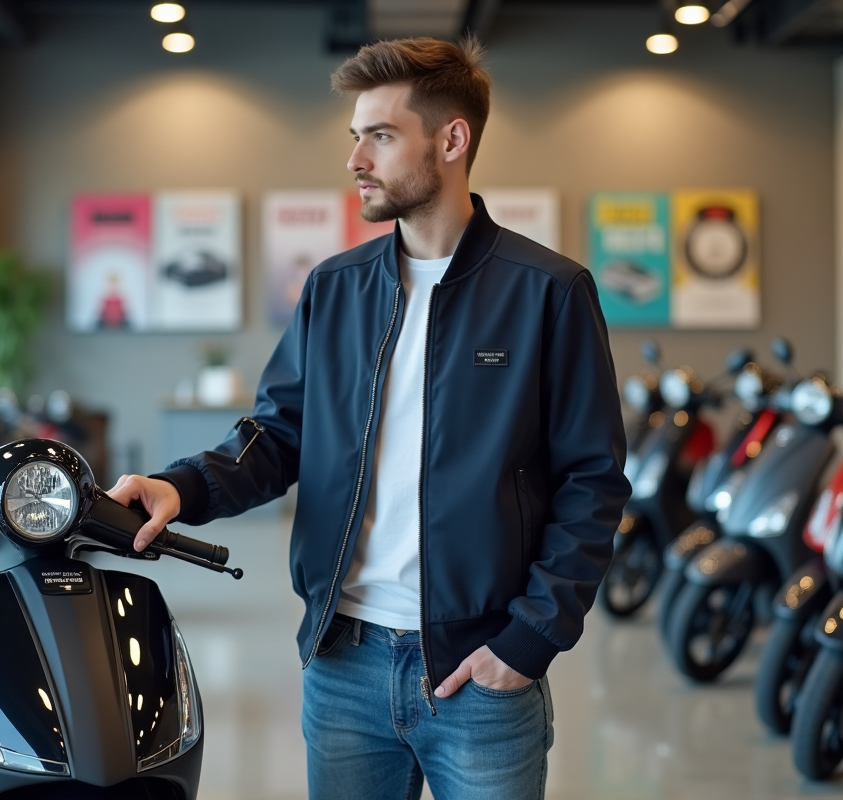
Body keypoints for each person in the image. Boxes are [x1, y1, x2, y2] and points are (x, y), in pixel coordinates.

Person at [108, 35, 630, 800]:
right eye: (356, 137)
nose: (356, 159)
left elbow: (593, 480)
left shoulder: (547, 291)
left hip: (480, 673)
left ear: (452, 140)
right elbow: (279, 434)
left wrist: (528, 642)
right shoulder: (334, 288)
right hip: (343, 664)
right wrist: (180, 488)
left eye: (379, 136)